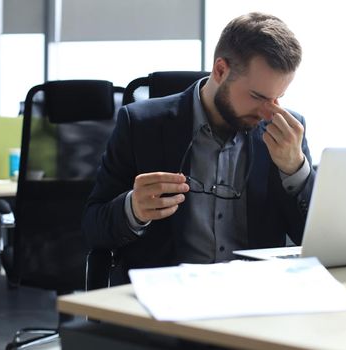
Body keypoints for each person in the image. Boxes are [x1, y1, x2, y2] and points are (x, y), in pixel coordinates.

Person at [82, 12, 316, 284]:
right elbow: (92, 228)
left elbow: (312, 241)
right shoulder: (140, 125)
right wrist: (132, 209)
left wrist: (295, 170)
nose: (268, 112)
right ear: (220, 70)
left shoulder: (287, 133)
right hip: (165, 301)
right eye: (257, 96)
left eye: (278, 98)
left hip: (254, 300)